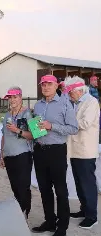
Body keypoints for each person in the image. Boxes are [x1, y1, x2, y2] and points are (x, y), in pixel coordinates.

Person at [32, 75, 78, 236]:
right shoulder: (37, 105)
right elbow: (36, 128)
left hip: (57, 151)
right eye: (43, 84)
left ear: (56, 85)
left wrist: (52, 126)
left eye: (49, 84)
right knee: (44, 189)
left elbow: (73, 128)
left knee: (60, 190)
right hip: (39, 150)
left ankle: (62, 226)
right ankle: (50, 221)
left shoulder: (65, 103)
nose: (45, 87)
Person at [63, 76, 99, 229]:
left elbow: (84, 123)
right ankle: (84, 210)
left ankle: (92, 216)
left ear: (78, 91)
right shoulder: (76, 102)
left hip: (86, 150)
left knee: (87, 183)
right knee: (79, 183)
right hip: (75, 150)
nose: (69, 95)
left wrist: (65, 123)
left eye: (70, 92)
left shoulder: (91, 102)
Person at [0, 86, 34, 219]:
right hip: (9, 155)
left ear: (20, 97)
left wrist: (17, 130)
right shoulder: (7, 115)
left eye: (15, 97)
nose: (12, 100)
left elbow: (34, 135)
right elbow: (4, 136)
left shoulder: (29, 113)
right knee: (14, 186)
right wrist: (2, 154)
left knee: (23, 186)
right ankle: (19, 211)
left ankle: (25, 213)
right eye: (10, 97)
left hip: (23, 154)